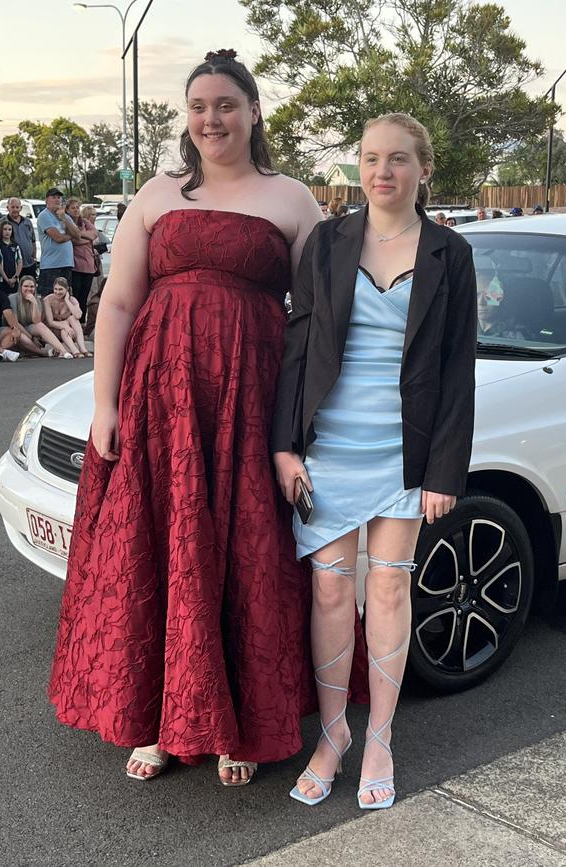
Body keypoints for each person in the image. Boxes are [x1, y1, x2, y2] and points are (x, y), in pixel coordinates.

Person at [48, 49, 343, 789]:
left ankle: (232, 719)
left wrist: (312, 420)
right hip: (160, 402)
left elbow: (317, 319)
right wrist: (105, 401)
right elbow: (116, 303)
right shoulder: (156, 193)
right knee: (159, 550)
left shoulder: (292, 199)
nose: (212, 119)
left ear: (252, 113)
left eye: (226, 105)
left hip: (250, 403)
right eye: (200, 107)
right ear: (188, 118)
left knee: (242, 553)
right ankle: (157, 719)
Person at [273, 112, 477, 809]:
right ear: (357, 167)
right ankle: (333, 736)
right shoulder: (327, 242)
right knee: (330, 592)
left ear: (423, 169)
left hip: (404, 452)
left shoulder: (452, 252)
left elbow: (457, 371)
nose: (381, 170)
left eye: (397, 158)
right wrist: (283, 444)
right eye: (369, 158)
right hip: (328, 448)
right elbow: (296, 349)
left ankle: (381, 735)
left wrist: (446, 470)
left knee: (387, 591)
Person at [11, 275, 73, 358]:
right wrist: (32, 338)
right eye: (26, 286)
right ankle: (43, 352)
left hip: (29, 327)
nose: (29, 289)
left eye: (32, 287)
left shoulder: (36, 300)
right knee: (22, 337)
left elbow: (36, 321)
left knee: (40, 325)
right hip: (15, 328)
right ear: (20, 287)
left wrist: (34, 303)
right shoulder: (12, 298)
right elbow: (15, 323)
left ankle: (63, 351)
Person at [37, 187, 82, 297]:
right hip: (51, 265)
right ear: (47, 200)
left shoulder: (65, 216)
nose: (57, 200)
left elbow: (78, 235)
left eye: (59, 197)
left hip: (66, 263)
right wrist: (70, 236)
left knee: (65, 298)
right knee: (50, 298)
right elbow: (58, 238)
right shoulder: (44, 216)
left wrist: (64, 219)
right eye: (54, 197)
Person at [42, 277, 91, 357]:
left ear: (67, 289)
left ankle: (82, 348)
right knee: (65, 326)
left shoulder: (72, 300)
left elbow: (78, 315)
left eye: (60, 289)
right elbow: (50, 322)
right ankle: (74, 350)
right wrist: (65, 326)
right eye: (55, 289)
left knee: (73, 318)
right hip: (53, 329)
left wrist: (67, 301)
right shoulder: (47, 300)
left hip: (69, 331)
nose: (57, 292)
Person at [66, 197, 98, 320]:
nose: (76, 210)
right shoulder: (67, 223)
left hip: (89, 265)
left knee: (85, 296)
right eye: (72, 208)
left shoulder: (84, 222)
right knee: (76, 296)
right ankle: (74, 320)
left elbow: (94, 234)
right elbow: (73, 240)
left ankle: (82, 322)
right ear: (67, 210)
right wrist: (86, 238)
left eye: (77, 207)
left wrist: (80, 234)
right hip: (75, 265)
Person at [0, 198, 38, 279]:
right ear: (7, 208)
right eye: (12, 207)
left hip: (29, 264)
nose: (15, 209)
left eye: (17, 207)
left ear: (21, 208)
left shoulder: (28, 222)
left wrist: (34, 256)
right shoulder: (1, 223)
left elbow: (33, 240)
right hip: (12, 267)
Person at [0, 220, 22, 292]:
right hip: (2, 280)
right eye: (5, 229)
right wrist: (7, 279)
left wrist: (15, 277)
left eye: (9, 229)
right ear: (1, 230)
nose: (7, 231)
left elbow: (20, 262)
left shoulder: (15, 245)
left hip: (14, 279)